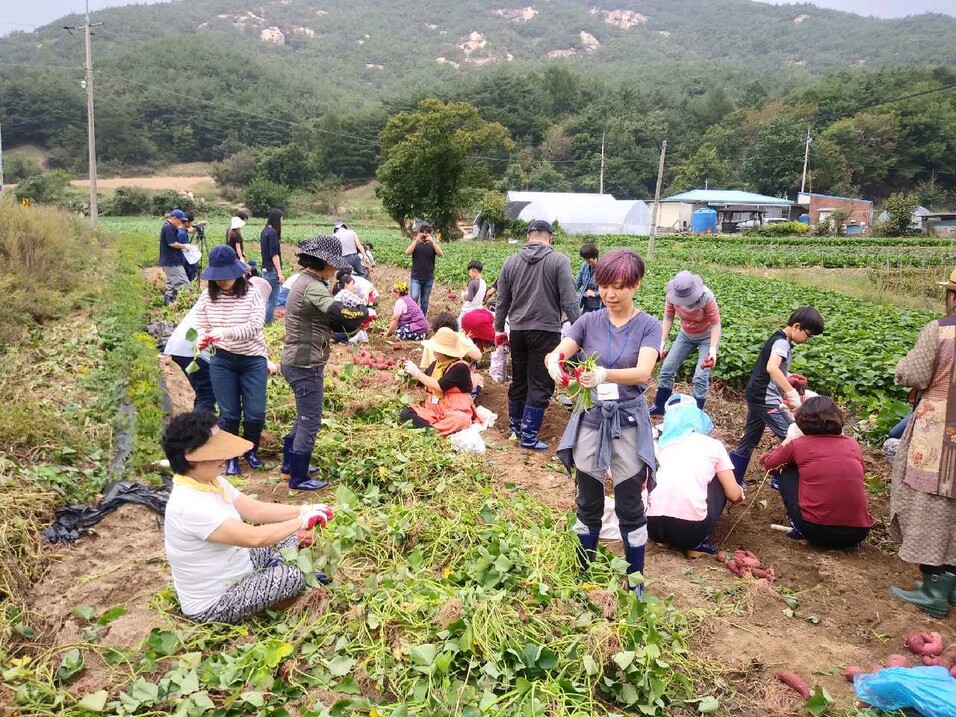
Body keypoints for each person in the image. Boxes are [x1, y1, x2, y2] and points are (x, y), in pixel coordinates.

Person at [548, 249, 661, 598]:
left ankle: (635, 580)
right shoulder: (588, 321)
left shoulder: (649, 326)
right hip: (591, 420)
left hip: (627, 422)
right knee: (588, 502)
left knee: (630, 503)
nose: (609, 295)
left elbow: (643, 372)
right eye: (604, 287)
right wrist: (555, 363)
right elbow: (560, 351)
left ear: (636, 285)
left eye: (618, 287)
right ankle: (584, 573)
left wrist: (602, 374)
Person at [161, 412, 334, 624]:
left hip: (239, 563)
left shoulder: (212, 481)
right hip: (217, 600)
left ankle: (269, 578)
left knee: (292, 539)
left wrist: (305, 510)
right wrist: (300, 521)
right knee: (293, 576)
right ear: (190, 456)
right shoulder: (188, 506)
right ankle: (268, 599)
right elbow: (255, 538)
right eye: (216, 452)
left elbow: (256, 510)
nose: (224, 458)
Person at [886, 267, 956, 618]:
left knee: (930, 501)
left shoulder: (941, 331)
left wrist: (901, 366)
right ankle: (952, 586)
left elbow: (912, 374)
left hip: (939, 430)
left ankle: (934, 587)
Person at [281, 236, 369, 491]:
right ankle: (298, 477)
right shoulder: (314, 287)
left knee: (303, 415)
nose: (335, 269)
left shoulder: (306, 281)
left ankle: (290, 466)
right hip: (305, 363)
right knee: (310, 419)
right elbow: (338, 313)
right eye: (333, 264)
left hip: (298, 359)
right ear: (323, 262)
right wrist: (363, 313)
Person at [495, 219, 580, 450]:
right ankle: (529, 437)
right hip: (545, 330)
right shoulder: (559, 260)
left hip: (518, 331)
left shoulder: (510, 262)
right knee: (540, 381)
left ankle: (516, 426)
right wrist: (582, 330)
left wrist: (499, 329)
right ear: (550, 237)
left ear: (527, 237)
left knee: (520, 377)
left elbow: (502, 301)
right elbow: (569, 300)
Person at [727, 307, 825, 487]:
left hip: (757, 394)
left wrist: (788, 379)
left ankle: (734, 480)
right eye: (809, 335)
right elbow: (772, 368)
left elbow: (772, 371)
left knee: (750, 438)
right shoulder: (782, 343)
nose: (808, 340)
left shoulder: (778, 338)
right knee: (792, 435)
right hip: (765, 398)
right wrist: (791, 392)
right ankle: (781, 479)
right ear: (797, 326)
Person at [761, 396, 872, 549]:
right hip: (858, 533)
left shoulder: (798, 445)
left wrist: (786, 443)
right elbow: (861, 472)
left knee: (787, 469)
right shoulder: (852, 444)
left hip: (816, 530)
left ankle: (799, 529)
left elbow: (770, 465)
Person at [196, 245, 270, 476]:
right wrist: (201, 336)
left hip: (252, 360)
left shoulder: (252, 294)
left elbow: (254, 326)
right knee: (229, 414)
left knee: (255, 412)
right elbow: (199, 322)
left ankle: (250, 450)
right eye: (216, 277)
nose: (220, 281)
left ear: (237, 273)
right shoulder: (208, 296)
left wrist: (221, 333)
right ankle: (231, 457)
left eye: (225, 276)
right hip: (222, 361)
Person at [647, 397, 744, 556]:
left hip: (652, 527)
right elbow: (734, 495)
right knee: (718, 478)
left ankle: (663, 541)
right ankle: (695, 546)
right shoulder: (713, 445)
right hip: (691, 530)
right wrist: (740, 493)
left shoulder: (659, 444)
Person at [651, 271, 722, 414]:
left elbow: (715, 324)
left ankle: (696, 414)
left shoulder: (706, 297)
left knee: (700, 376)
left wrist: (712, 350)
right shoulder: (671, 295)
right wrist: (662, 341)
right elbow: (668, 317)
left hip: (707, 337)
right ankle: (660, 406)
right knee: (667, 369)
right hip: (686, 335)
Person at [399, 327, 478, 434]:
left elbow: (439, 386)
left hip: (455, 409)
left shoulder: (460, 367)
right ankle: (432, 429)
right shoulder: (436, 364)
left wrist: (417, 373)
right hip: (435, 408)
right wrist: (407, 372)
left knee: (460, 419)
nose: (434, 351)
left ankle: (432, 430)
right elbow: (422, 381)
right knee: (406, 413)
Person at [163, 302, 217, 413]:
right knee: (207, 394)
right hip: (192, 348)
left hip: (180, 345)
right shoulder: (229, 297)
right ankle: (201, 428)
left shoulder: (212, 293)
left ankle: (200, 424)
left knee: (203, 392)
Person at [405, 219, 443, 316]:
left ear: (430, 234)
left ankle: (422, 318)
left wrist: (432, 241)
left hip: (428, 278)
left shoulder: (432, 245)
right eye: (422, 233)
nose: (424, 235)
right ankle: (412, 316)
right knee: (414, 297)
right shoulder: (416, 245)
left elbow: (440, 254)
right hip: (416, 277)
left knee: (425, 301)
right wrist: (416, 240)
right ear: (419, 233)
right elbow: (407, 252)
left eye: (427, 234)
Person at [159, 209, 191, 305]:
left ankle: (169, 306)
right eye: (180, 220)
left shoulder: (172, 227)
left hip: (170, 261)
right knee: (184, 284)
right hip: (172, 261)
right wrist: (185, 246)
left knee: (171, 286)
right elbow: (172, 243)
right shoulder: (167, 228)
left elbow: (187, 230)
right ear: (174, 218)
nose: (181, 222)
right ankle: (185, 304)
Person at [261, 208, 285, 325]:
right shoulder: (273, 233)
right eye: (281, 219)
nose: (282, 221)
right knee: (272, 299)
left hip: (265, 269)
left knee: (266, 298)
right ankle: (268, 323)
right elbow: (274, 255)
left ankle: (265, 320)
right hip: (272, 270)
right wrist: (279, 273)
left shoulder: (265, 231)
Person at [575, 243, 602, 313]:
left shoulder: (604, 268)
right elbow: (578, 281)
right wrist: (569, 291)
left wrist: (594, 294)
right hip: (587, 305)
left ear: (595, 256)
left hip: (600, 306)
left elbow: (608, 289)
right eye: (585, 259)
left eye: (589, 260)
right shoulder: (585, 266)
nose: (587, 262)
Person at [459, 260, 487, 324]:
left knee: (460, 326)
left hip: (468, 310)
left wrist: (463, 294)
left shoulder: (472, 283)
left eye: (470, 272)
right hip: (478, 309)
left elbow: (470, 298)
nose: (469, 274)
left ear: (475, 271)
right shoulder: (483, 282)